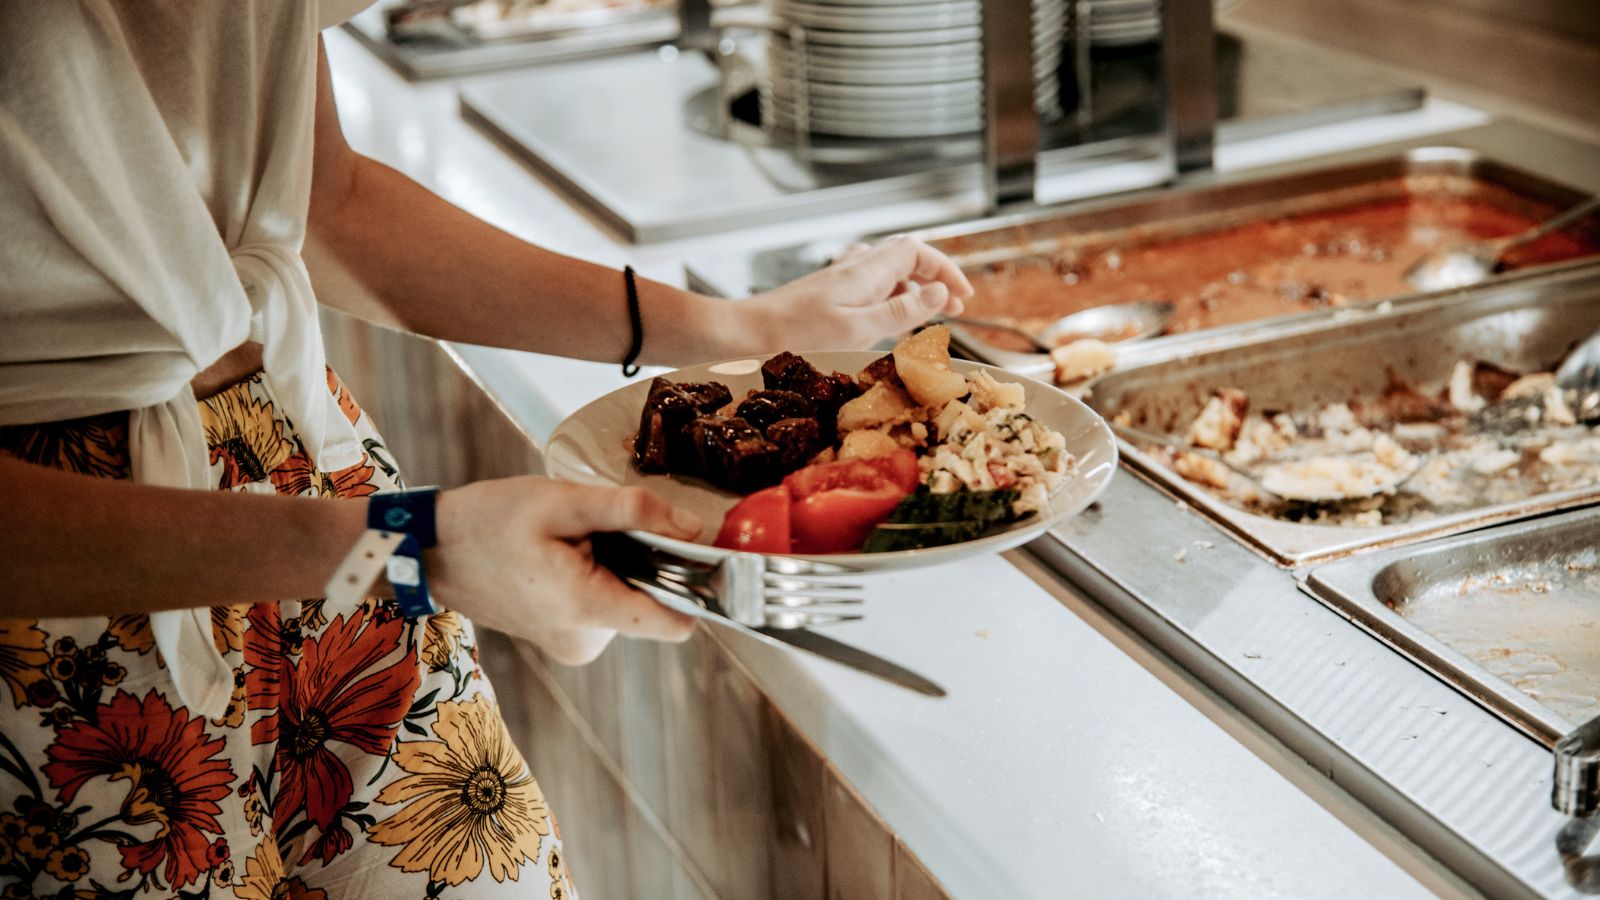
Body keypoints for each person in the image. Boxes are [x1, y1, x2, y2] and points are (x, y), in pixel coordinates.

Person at [0, 3, 973, 897]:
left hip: (321, 490)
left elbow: (324, 199)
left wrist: (731, 325)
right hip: (75, 612)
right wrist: (418, 548)